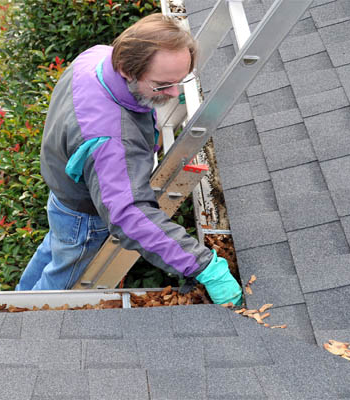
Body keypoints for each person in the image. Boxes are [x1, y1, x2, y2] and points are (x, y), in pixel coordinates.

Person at [16, 14, 242, 305]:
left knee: (56, 250)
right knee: (60, 281)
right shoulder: (112, 140)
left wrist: (156, 102)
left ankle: (17, 299)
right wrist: (202, 266)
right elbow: (128, 216)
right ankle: (22, 323)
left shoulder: (95, 57)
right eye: (162, 86)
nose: (174, 93)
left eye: (180, 81)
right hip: (85, 217)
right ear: (126, 70)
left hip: (63, 197)